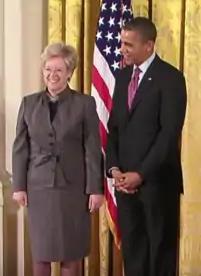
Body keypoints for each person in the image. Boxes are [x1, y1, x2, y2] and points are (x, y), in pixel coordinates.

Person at [12, 43, 104, 276]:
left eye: (58, 70)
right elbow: (20, 148)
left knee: (70, 254)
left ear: (70, 73)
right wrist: (19, 187)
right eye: (47, 69)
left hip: (73, 189)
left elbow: (92, 149)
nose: (52, 75)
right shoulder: (28, 103)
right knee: (41, 254)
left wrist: (95, 189)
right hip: (38, 188)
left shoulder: (84, 104)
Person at [106, 17, 187, 276]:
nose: (122, 49)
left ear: (149, 46)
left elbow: (168, 134)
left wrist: (140, 174)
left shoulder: (171, 78)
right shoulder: (121, 78)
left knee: (160, 257)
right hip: (126, 189)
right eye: (121, 43)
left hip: (158, 185)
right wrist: (114, 169)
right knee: (134, 255)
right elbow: (115, 128)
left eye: (129, 44)